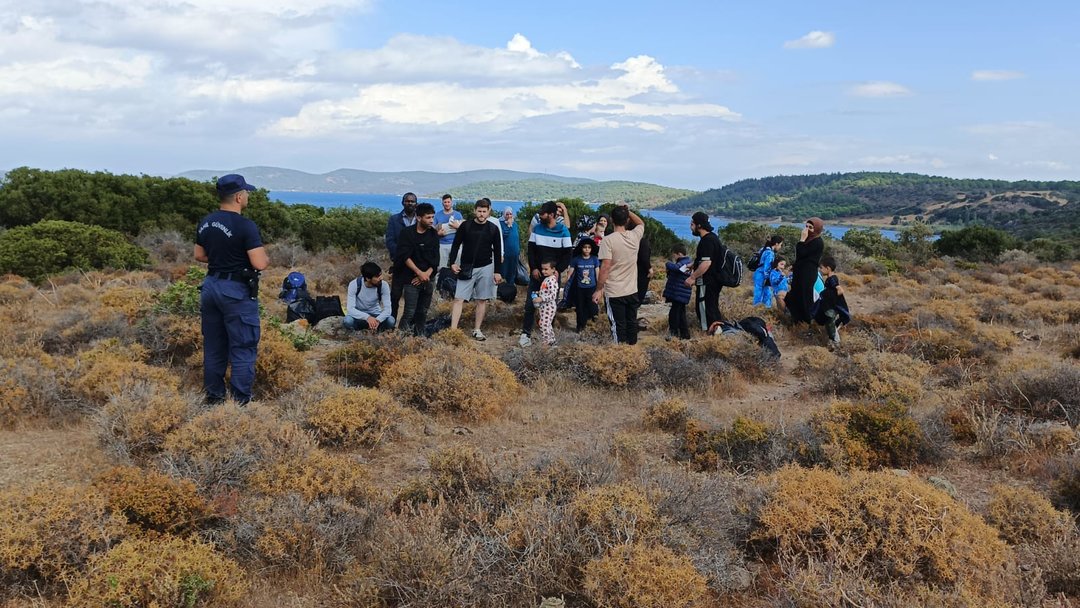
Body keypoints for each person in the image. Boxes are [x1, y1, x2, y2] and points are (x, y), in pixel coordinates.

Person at [194, 174, 269, 405]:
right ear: (238, 197)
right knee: (243, 346)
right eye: (246, 193)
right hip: (235, 290)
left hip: (211, 286)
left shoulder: (206, 222)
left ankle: (214, 398)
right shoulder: (245, 225)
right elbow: (259, 263)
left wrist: (221, 260)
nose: (247, 196)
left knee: (214, 345)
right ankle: (240, 402)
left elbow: (199, 255)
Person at [448, 198, 503, 340]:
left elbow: (497, 251)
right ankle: (453, 331)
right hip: (466, 266)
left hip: (486, 267)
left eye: (484, 211)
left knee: (481, 299)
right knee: (459, 298)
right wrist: (452, 263)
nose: (482, 214)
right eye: (479, 211)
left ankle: (477, 329)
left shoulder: (493, 229)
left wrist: (498, 271)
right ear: (475, 211)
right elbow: (456, 244)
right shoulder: (465, 226)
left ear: (488, 212)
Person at [520, 201, 573, 347]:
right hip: (536, 275)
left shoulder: (563, 231)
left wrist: (558, 271)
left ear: (552, 215)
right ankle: (526, 333)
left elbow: (568, 254)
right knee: (530, 304)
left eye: (543, 214)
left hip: (553, 278)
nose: (540, 216)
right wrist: (534, 268)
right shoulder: (537, 229)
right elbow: (531, 250)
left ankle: (549, 336)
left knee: (550, 305)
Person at [593, 204, 645, 345]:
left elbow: (605, 267)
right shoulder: (634, 236)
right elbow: (640, 223)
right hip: (632, 290)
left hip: (614, 292)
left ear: (611, 221)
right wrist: (628, 211)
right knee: (631, 323)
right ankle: (632, 353)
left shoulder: (608, 240)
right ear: (627, 220)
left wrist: (598, 289)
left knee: (618, 326)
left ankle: (620, 354)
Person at [394, 202, 439, 336]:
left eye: (432, 217)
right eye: (428, 217)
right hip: (411, 279)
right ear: (419, 218)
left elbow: (435, 259)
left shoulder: (433, 234)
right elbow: (404, 256)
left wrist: (426, 275)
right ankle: (400, 338)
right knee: (409, 311)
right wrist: (419, 273)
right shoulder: (407, 233)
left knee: (423, 311)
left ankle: (419, 337)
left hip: (428, 278)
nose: (431, 220)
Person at [683, 212, 726, 331]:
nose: (690, 227)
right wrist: (693, 265)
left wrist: (692, 277)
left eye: (692, 224)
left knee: (704, 307)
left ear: (699, 226)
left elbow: (706, 263)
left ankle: (709, 332)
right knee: (711, 306)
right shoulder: (712, 238)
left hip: (708, 281)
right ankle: (717, 331)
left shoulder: (707, 241)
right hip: (714, 281)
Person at [785, 217, 826, 324]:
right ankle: (796, 319)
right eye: (806, 226)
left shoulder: (817, 242)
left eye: (810, 227)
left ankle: (805, 321)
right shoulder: (809, 240)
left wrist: (802, 240)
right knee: (795, 295)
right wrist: (794, 266)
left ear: (816, 229)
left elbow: (802, 253)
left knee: (804, 297)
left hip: (807, 274)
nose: (807, 229)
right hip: (799, 273)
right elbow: (801, 258)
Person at [385, 193, 418, 321]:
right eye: (407, 201)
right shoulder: (394, 220)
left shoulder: (420, 220)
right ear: (403, 202)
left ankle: (409, 324)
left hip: (416, 265)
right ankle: (391, 322)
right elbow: (390, 241)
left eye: (412, 201)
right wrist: (401, 256)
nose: (410, 203)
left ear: (416, 203)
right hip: (399, 264)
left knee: (412, 298)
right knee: (395, 295)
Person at [344, 261, 395, 332]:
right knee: (348, 321)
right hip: (360, 316)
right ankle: (357, 335)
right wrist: (367, 317)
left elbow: (388, 310)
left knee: (391, 320)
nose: (381, 278)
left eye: (380, 275)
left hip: (376, 315)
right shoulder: (354, 285)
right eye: (377, 277)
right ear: (368, 278)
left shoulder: (384, 285)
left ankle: (378, 333)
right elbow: (350, 309)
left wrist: (378, 320)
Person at [814, 255, 850, 347]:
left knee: (831, 322)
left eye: (821, 268)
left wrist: (831, 298)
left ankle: (836, 342)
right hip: (830, 305)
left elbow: (840, 290)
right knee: (829, 322)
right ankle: (833, 341)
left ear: (828, 268)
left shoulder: (832, 279)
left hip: (832, 306)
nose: (820, 270)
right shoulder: (831, 278)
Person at [566, 238, 601, 332]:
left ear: (591, 249)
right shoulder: (576, 260)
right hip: (579, 288)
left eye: (589, 247)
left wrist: (600, 287)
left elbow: (598, 274)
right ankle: (580, 326)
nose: (587, 249)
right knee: (580, 307)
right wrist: (567, 280)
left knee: (592, 307)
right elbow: (570, 273)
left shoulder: (595, 259)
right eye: (585, 247)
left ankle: (593, 326)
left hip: (592, 287)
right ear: (581, 248)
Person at [663, 243, 693, 340]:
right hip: (681, 294)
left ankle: (674, 334)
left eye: (674, 255)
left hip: (679, 294)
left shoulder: (685, 262)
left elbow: (678, 269)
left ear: (679, 254)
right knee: (681, 314)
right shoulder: (687, 262)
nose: (674, 257)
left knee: (674, 314)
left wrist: (667, 264)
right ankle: (685, 335)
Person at [532, 260, 560, 346]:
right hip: (544, 306)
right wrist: (537, 294)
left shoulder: (552, 280)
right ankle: (551, 341)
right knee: (546, 324)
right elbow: (546, 291)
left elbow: (552, 295)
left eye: (546, 269)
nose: (543, 271)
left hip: (549, 306)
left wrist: (541, 298)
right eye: (542, 269)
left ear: (553, 269)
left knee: (544, 324)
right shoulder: (547, 279)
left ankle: (546, 342)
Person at [753, 236, 784, 306]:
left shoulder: (764, 249)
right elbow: (767, 267)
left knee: (762, 293)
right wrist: (767, 279)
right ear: (776, 244)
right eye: (780, 245)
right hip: (762, 275)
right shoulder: (770, 253)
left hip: (758, 273)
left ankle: (760, 308)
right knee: (763, 294)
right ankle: (762, 309)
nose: (780, 247)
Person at [435, 194, 463, 270]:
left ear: (451, 202)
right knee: (441, 267)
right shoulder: (437, 215)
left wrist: (458, 227)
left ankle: (456, 281)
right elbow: (433, 230)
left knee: (457, 266)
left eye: (448, 202)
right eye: (445, 202)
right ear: (442, 203)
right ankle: (439, 281)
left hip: (456, 243)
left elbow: (463, 230)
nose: (447, 204)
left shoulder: (458, 214)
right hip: (442, 244)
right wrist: (438, 234)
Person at [499, 206, 520, 283]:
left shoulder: (515, 224)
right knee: (503, 272)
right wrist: (508, 225)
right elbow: (502, 235)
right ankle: (502, 289)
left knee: (512, 272)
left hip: (514, 253)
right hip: (505, 254)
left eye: (510, 214)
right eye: (507, 214)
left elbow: (517, 237)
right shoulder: (500, 223)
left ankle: (510, 289)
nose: (509, 216)